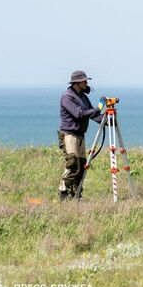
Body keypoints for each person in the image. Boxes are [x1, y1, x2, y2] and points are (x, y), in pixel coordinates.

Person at [58, 70, 103, 200]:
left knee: (81, 166)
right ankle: (63, 192)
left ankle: (76, 194)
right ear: (77, 82)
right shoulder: (67, 96)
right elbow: (79, 114)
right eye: (84, 81)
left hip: (80, 134)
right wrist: (99, 108)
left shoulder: (83, 97)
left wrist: (106, 121)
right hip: (69, 134)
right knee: (73, 165)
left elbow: (92, 114)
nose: (86, 83)